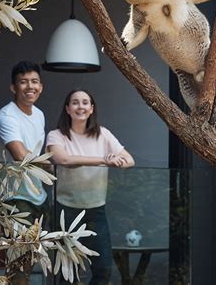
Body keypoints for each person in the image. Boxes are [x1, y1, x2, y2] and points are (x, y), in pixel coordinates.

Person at [46, 88, 135, 285]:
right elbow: (64, 159)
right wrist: (104, 160)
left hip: (96, 211)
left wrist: (116, 160)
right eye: (75, 102)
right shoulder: (56, 135)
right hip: (65, 211)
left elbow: (130, 160)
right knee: (68, 272)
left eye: (85, 102)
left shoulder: (103, 134)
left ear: (92, 108)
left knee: (103, 268)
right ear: (67, 109)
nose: (80, 106)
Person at [0, 60, 48, 285]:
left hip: (37, 194)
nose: (30, 87)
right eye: (23, 82)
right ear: (13, 87)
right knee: (17, 258)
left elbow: (35, 152)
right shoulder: (7, 116)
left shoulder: (39, 115)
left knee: (30, 258)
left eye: (34, 82)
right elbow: (19, 154)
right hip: (14, 196)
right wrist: (52, 164)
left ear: (41, 87)